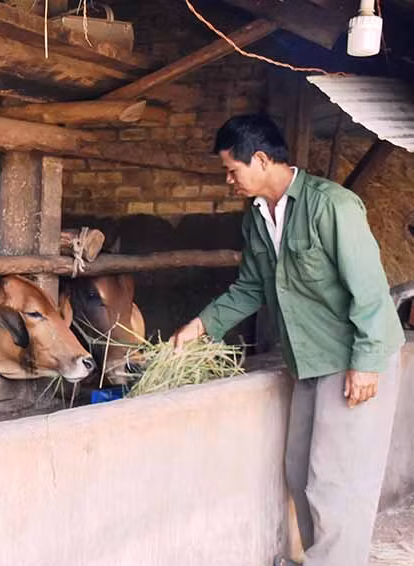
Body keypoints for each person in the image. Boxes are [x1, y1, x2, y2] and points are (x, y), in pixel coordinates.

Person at [171, 114, 404, 566]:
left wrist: (369, 363)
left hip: (353, 356)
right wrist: (201, 325)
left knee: (335, 482)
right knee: (300, 475)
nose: (228, 180)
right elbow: (252, 287)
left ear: (260, 159)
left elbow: (371, 290)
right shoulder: (257, 220)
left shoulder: (330, 206)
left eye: (231, 170)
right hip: (307, 360)